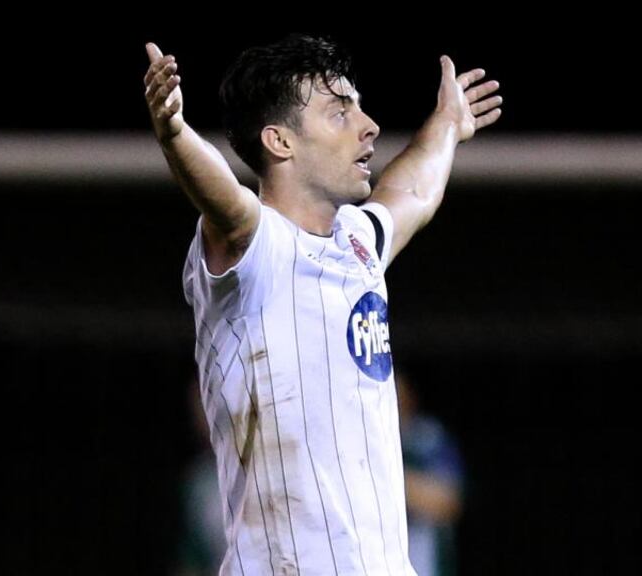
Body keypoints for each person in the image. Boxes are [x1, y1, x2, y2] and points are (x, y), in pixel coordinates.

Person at [143, 34, 501, 576]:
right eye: (340, 112)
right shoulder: (255, 248)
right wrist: (173, 133)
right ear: (279, 141)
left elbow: (414, 192)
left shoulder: (358, 246)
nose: (368, 125)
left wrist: (448, 123)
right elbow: (223, 199)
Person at [396, 370, 464, 576]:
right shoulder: (360, 442)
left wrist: (389, 479)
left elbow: (447, 502)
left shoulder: (428, 438)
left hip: (426, 564)